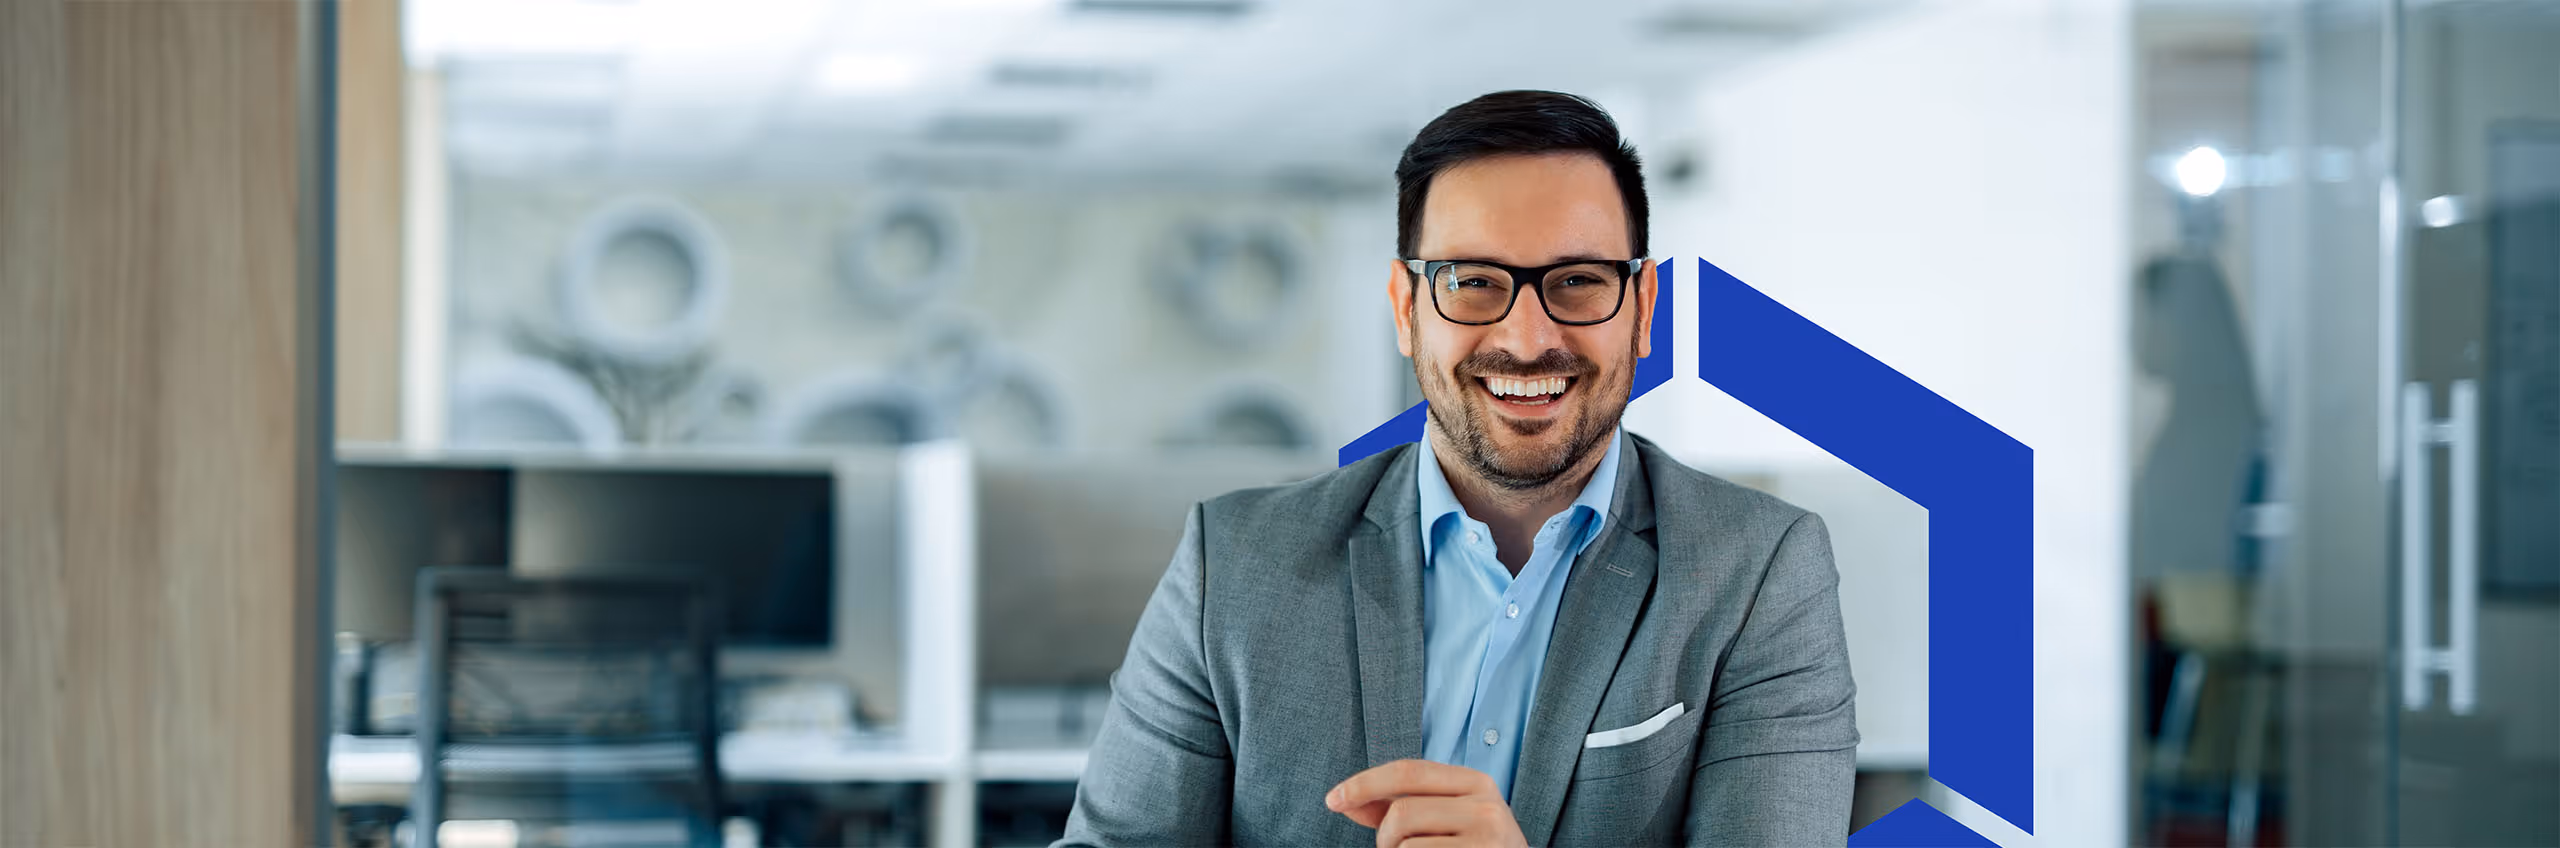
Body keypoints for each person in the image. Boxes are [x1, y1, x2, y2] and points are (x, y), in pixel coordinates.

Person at [1059, 90, 1857, 848]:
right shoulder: (1232, 563)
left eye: (1579, 281)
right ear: (1407, 311)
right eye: (1473, 283)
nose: (1525, 336)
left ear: (1644, 309)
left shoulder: (1756, 572)